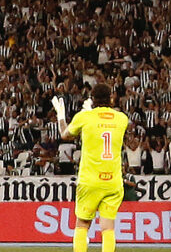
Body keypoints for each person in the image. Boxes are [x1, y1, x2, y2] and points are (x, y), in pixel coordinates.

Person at [53, 83, 128, 252]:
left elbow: (65, 135)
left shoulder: (84, 117)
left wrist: (61, 116)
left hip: (90, 180)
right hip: (113, 181)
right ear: (111, 98)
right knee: (108, 227)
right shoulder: (122, 118)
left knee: (82, 224)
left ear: (93, 99)